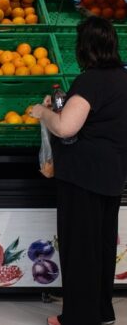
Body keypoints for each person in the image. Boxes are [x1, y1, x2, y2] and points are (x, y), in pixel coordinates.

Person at [31, 16, 127, 325]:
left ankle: (77, 317)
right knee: (101, 247)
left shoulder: (91, 81)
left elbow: (66, 127)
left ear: (85, 48)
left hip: (83, 177)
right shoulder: (122, 78)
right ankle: (101, 311)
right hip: (112, 175)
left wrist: (43, 112)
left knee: (80, 248)